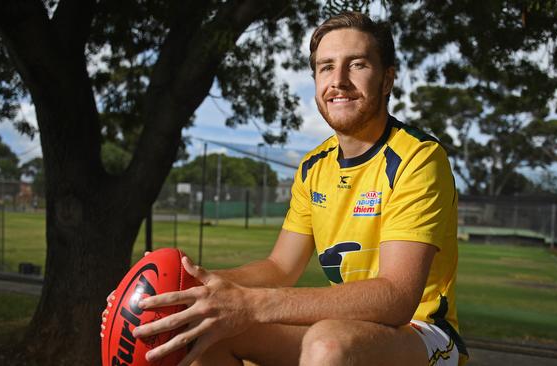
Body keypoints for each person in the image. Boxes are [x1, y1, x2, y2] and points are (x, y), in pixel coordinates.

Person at [111, 11, 468, 366]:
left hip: (425, 334)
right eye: (326, 67)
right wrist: (189, 288)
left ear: (387, 79)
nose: (338, 80)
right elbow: (280, 267)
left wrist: (255, 304)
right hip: (344, 329)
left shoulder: (418, 157)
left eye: (357, 65)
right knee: (210, 331)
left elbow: (397, 297)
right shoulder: (314, 166)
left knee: (329, 344)